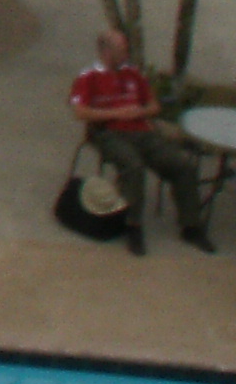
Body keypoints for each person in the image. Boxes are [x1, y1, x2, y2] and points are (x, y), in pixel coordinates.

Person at [66, 26, 213, 254]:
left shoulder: (133, 73)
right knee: (133, 166)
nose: (126, 54)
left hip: (142, 131)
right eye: (122, 50)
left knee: (182, 165)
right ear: (106, 51)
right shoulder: (88, 77)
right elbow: (80, 112)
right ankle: (132, 224)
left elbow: (154, 106)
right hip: (109, 133)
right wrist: (116, 114)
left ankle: (191, 224)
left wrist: (139, 112)